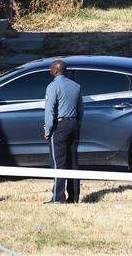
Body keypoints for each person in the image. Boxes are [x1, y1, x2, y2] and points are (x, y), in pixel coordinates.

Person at [43, 60, 83, 204]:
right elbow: (80, 109)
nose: (49, 70)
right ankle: (74, 197)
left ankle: (58, 198)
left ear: (56, 70)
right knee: (73, 162)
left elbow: (50, 110)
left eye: (51, 68)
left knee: (58, 163)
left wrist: (48, 129)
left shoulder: (53, 86)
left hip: (59, 126)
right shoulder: (76, 86)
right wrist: (77, 125)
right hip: (73, 124)